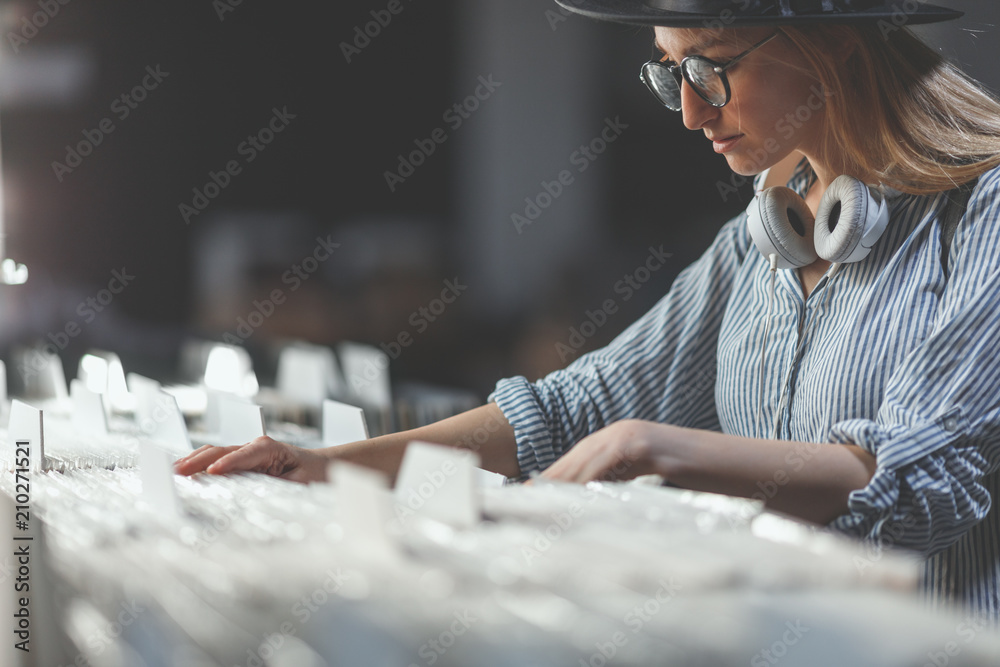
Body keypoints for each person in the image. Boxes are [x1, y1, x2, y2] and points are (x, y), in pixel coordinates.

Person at [176, 0, 1000, 619]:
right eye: (669, 71)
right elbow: (577, 407)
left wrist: (653, 447)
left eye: (712, 68)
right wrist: (330, 465)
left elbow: (920, 474)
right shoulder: (759, 243)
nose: (689, 109)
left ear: (836, 49)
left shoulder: (984, 217)